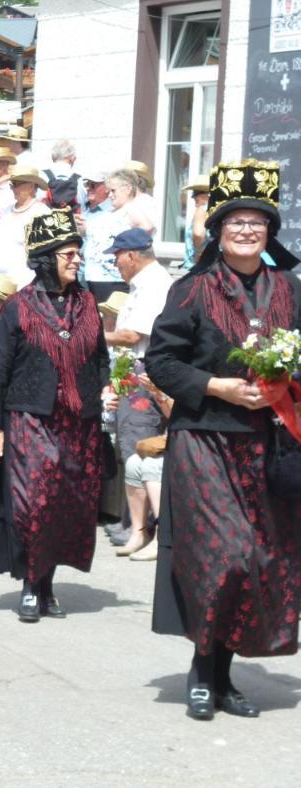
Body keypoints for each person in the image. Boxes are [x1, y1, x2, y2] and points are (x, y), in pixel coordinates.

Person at [144, 160, 301, 721]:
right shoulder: (192, 290)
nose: (246, 230)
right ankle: (201, 670)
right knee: (224, 558)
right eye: (236, 221)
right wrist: (216, 386)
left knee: (260, 561)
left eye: (258, 222)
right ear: (218, 228)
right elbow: (160, 361)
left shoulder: (290, 288)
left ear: (270, 231)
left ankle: (225, 675)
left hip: (271, 446)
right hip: (205, 442)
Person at [0, 209, 110, 623]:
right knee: (34, 503)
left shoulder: (87, 302)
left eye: (78, 253)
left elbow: (101, 359)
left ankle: (48, 584)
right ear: (46, 258)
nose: (76, 260)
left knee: (65, 506)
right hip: (30, 419)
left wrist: (105, 386)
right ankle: (31, 586)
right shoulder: (18, 307)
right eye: (68, 254)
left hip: (79, 423)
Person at [103, 228, 173, 559]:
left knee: (138, 446)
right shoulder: (144, 283)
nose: (115, 263)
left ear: (132, 255)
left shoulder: (155, 284)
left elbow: (133, 335)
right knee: (131, 447)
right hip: (133, 371)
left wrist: (95, 335)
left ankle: (146, 530)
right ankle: (137, 527)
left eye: (117, 256)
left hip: (143, 371)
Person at [0, 166, 51, 288]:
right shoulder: (6, 211)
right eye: (12, 184)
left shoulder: (42, 213)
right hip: (0, 283)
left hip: (25, 284)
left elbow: (46, 254)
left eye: (17, 184)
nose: (13, 188)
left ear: (31, 186)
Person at [76, 167, 126, 303]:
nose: (88, 188)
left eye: (93, 185)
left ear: (106, 188)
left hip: (105, 279)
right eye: (87, 184)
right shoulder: (85, 211)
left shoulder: (114, 211)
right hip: (83, 275)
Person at [108, 170, 157, 236]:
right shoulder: (125, 204)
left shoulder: (143, 202)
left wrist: (123, 241)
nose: (110, 195)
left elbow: (147, 228)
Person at [181, 174, 210, 270]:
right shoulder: (217, 210)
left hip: (197, 267)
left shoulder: (202, 209)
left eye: (196, 194)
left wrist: (199, 255)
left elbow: (198, 234)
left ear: (207, 195)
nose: (193, 198)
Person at [43, 140, 82, 212]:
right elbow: (83, 205)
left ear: (52, 157)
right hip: (73, 221)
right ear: (73, 158)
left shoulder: (42, 176)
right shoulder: (80, 180)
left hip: (47, 221)